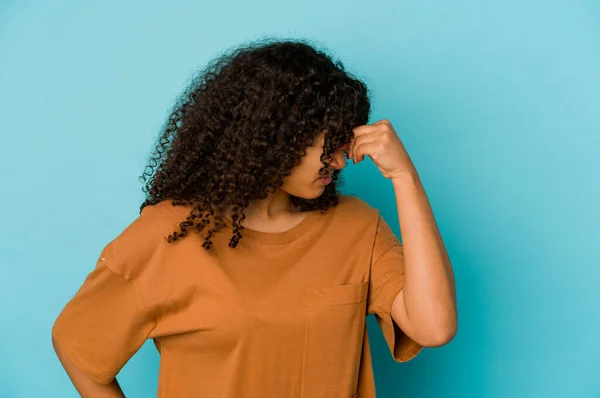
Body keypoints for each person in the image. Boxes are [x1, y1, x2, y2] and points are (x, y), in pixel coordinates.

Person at [51, 38, 457, 397]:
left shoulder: (358, 227)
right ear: (276, 134)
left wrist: (404, 176)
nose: (340, 160)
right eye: (328, 144)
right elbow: (76, 344)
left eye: (344, 143)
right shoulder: (169, 233)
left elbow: (434, 328)